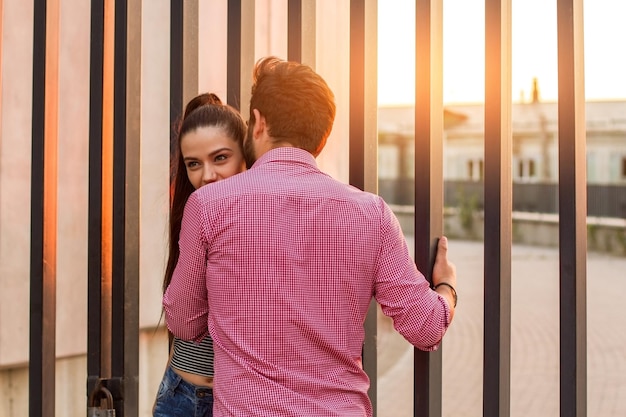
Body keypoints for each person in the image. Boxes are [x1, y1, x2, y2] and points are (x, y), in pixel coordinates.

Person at [163, 56, 457, 417]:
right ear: (322, 136)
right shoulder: (372, 214)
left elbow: (184, 322)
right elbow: (425, 327)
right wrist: (447, 289)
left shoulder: (209, 205)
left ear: (257, 122)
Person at [153, 92, 247, 417]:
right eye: (194, 164)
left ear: (245, 156)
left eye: (220, 158)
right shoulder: (194, 214)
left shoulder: (262, 217)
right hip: (180, 392)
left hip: (239, 400)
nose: (206, 175)